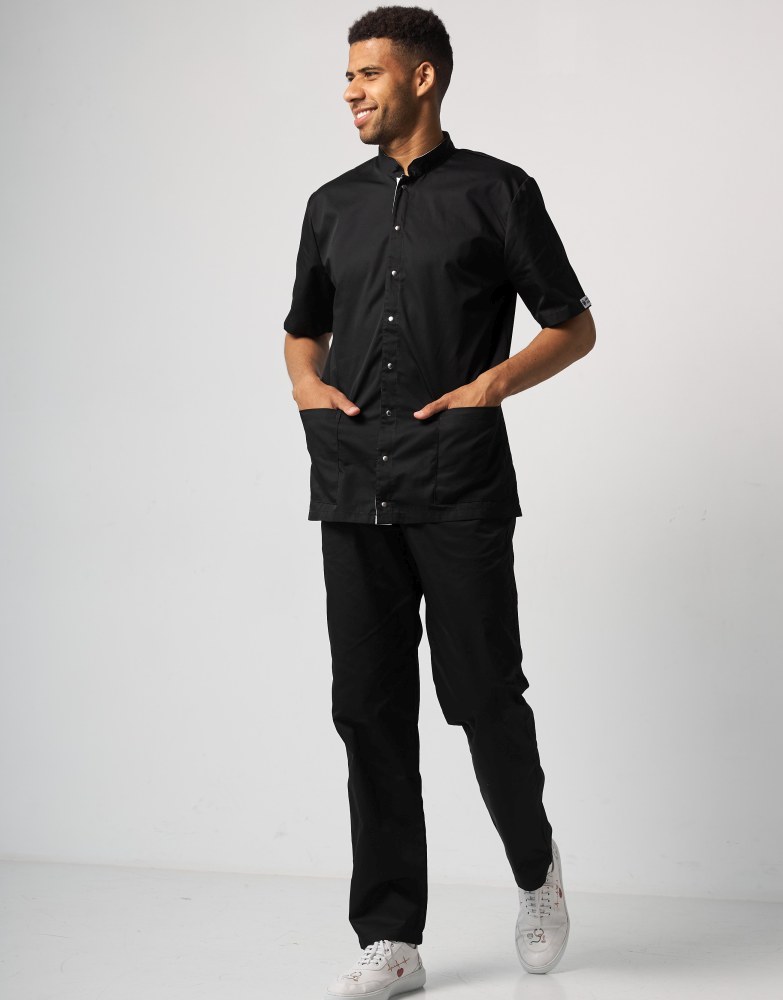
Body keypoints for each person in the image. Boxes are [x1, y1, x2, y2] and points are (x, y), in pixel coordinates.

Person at [282, 7, 596, 998]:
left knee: (482, 693)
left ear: (421, 78)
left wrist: (490, 384)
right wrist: (305, 384)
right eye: (346, 75)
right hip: (350, 484)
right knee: (367, 707)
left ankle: (535, 868)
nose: (349, 90)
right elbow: (301, 328)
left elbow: (572, 324)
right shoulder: (331, 204)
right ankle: (391, 937)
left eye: (367, 73)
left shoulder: (497, 191)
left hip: (457, 484)